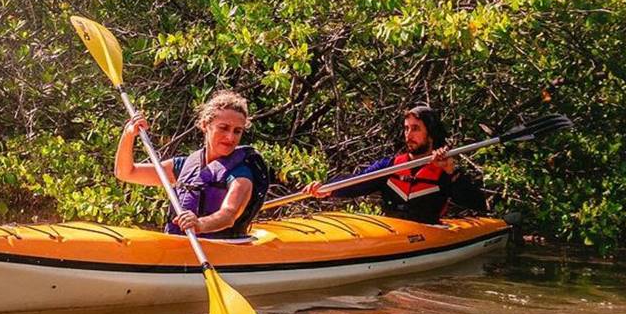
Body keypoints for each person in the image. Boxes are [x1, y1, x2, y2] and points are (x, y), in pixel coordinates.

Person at [113, 90, 271, 239]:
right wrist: (129, 134)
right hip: (181, 246)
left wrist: (200, 224)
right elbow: (125, 172)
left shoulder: (241, 175)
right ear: (204, 125)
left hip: (219, 250)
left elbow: (229, 214)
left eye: (237, 131)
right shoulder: (183, 166)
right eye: (223, 128)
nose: (230, 137)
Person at [304, 105, 486, 224]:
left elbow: (477, 203)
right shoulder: (391, 166)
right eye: (406, 128)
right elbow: (358, 182)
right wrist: (328, 188)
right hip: (394, 233)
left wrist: (450, 172)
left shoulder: (445, 170)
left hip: (428, 234)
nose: (408, 135)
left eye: (415, 129)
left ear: (430, 134)